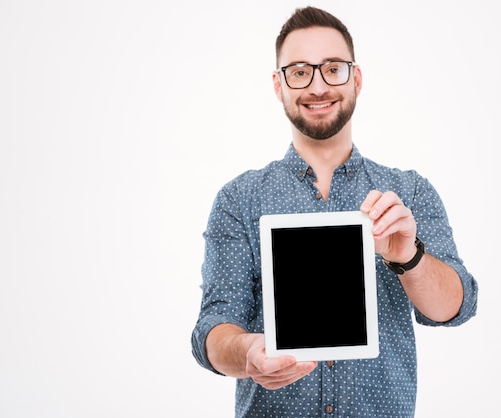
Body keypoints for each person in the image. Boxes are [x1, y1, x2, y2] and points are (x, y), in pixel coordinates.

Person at [191, 6, 478, 417]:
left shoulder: (408, 192)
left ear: (356, 78)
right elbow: (213, 327)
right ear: (278, 85)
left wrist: (408, 258)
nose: (318, 86)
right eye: (299, 71)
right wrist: (248, 351)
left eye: (332, 68)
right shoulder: (240, 199)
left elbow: (456, 307)